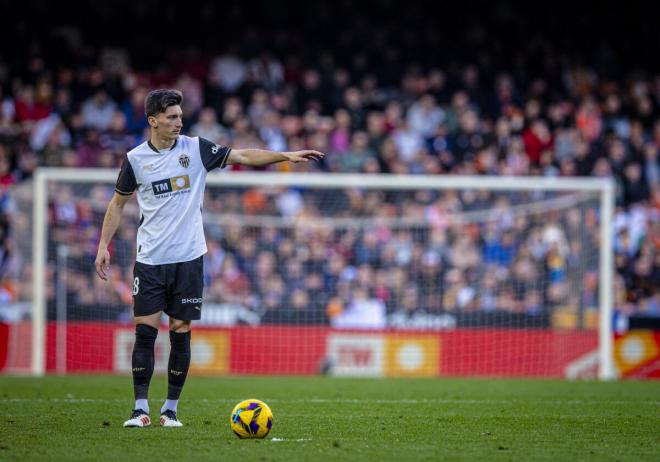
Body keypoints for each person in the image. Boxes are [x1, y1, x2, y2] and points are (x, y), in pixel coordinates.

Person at [94, 89, 323, 428]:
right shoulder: (135, 159)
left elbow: (243, 156)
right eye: (171, 117)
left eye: (180, 115)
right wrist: (103, 246)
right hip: (151, 259)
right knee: (145, 332)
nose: (179, 121)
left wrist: (286, 155)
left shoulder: (196, 148)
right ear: (153, 121)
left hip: (188, 258)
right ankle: (140, 409)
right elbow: (117, 204)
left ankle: (170, 410)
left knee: (180, 330)